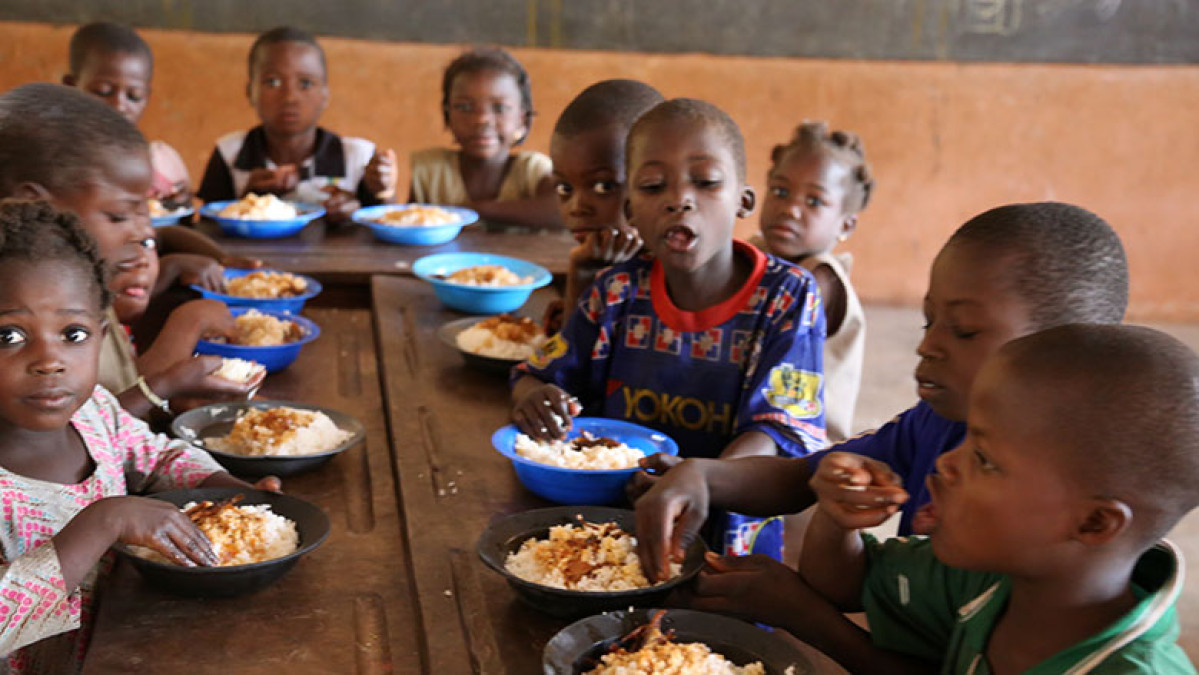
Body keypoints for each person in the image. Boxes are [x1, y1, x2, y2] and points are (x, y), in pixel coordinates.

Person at [634, 201, 1130, 583]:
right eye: (928, 320)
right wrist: (702, 475)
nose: (926, 346)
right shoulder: (933, 423)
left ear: (1056, 359)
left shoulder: (1056, 512)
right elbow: (799, 478)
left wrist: (802, 613)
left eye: (963, 331)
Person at [713, 325, 1197, 673]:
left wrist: (804, 616)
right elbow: (848, 586)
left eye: (984, 459)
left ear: (1093, 523)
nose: (945, 462)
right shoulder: (994, 575)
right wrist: (837, 523)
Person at [512, 99, 827, 559]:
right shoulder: (616, 292)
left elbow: (780, 432)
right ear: (630, 210)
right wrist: (532, 397)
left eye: (706, 182)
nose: (679, 198)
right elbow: (537, 371)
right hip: (607, 532)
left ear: (744, 200)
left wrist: (698, 478)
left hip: (726, 540)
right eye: (653, 185)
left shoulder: (787, 297)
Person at [0, 199, 275, 674]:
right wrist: (103, 521)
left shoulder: (94, 413)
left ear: (102, 337)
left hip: (129, 643)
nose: (50, 360)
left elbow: (159, 457)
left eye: (73, 334)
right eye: (9, 336)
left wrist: (230, 490)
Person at [0, 83, 258, 418]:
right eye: (118, 216)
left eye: (143, 212)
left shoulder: (86, 285)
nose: (140, 232)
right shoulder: (23, 314)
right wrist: (182, 334)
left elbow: (113, 393)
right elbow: (74, 435)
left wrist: (171, 396)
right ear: (35, 204)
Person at [63, 21, 259, 271]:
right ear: (71, 87)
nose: (120, 105)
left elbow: (161, 233)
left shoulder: (141, 159)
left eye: (133, 96)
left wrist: (222, 258)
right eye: (103, 91)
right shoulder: (63, 165)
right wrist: (171, 268)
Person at [196, 26, 396, 223]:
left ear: (325, 95)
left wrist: (378, 196)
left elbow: (389, 222)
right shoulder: (230, 152)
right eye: (272, 82)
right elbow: (210, 229)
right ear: (250, 92)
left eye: (306, 83)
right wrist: (247, 203)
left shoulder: (358, 157)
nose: (290, 97)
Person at [754, 121, 873, 443]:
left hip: (803, 442)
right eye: (780, 192)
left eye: (814, 202)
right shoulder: (755, 254)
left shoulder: (820, 278)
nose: (790, 210)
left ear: (845, 225)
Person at [543, 79, 663, 333]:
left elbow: (569, 366)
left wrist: (582, 277)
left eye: (603, 187)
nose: (577, 207)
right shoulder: (611, 265)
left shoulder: (679, 278)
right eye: (564, 188)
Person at [408, 47, 559, 228]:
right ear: (447, 116)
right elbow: (405, 223)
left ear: (522, 120)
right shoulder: (430, 170)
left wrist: (467, 211)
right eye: (464, 107)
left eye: (499, 108)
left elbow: (561, 210)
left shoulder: (533, 170)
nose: (481, 119)